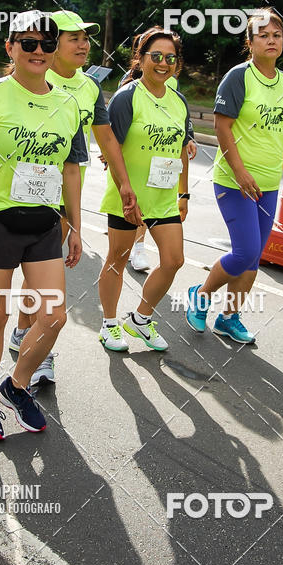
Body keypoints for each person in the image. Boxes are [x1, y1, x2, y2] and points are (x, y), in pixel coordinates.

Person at [0, 11, 86, 441]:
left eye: (47, 44)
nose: (38, 51)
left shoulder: (69, 103)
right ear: (10, 47)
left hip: (45, 224)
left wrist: (76, 227)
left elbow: (71, 171)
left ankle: (15, 385)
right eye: (27, 43)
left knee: (53, 316)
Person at [8, 9, 140, 385]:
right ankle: (28, 337)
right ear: (52, 43)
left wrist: (124, 182)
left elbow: (107, 136)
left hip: (63, 192)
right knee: (35, 276)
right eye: (74, 37)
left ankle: (29, 338)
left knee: (41, 275)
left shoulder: (88, 87)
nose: (84, 44)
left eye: (86, 37)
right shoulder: (33, 70)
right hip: (17, 192)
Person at [185, 9, 283, 342]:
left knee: (254, 257)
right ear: (250, 42)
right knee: (246, 251)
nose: (271, 40)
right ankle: (200, 294)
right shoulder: (238, 77)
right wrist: (240, 171)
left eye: (277, 35)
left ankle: (229, 317)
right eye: (263, 35)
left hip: (268, 183)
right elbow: (221, 126)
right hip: (235, 182)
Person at [98, 26, 191, 352]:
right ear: (140, 58)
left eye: (170, 58)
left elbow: (182, 147)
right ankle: (109, 324)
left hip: (164, 198)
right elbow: (110, 150)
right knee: (117, 260)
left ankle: (139, 319)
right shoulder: (126, 98)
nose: (163, 63)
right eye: (156, 56)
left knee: (173, 260)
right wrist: (125, 192)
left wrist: (184, 192)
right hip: (129, 198)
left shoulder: (179, 101)